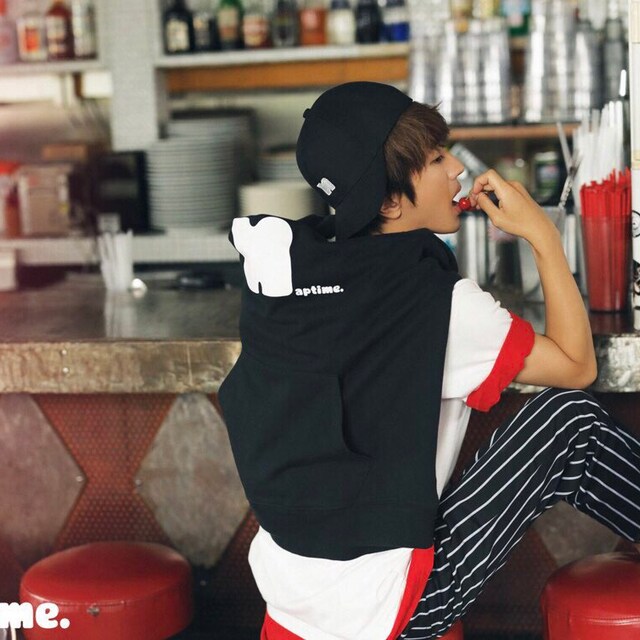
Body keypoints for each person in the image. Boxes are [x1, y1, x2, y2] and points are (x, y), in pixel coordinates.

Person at [218, 81, 640, 640]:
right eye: (437, 159)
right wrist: (543, 234)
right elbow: (576, 366)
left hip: (292, 597)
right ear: (389, 201)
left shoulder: (287, 274)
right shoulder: (438, 306)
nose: (458, 169)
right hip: (387, 605)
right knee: (568, 421)